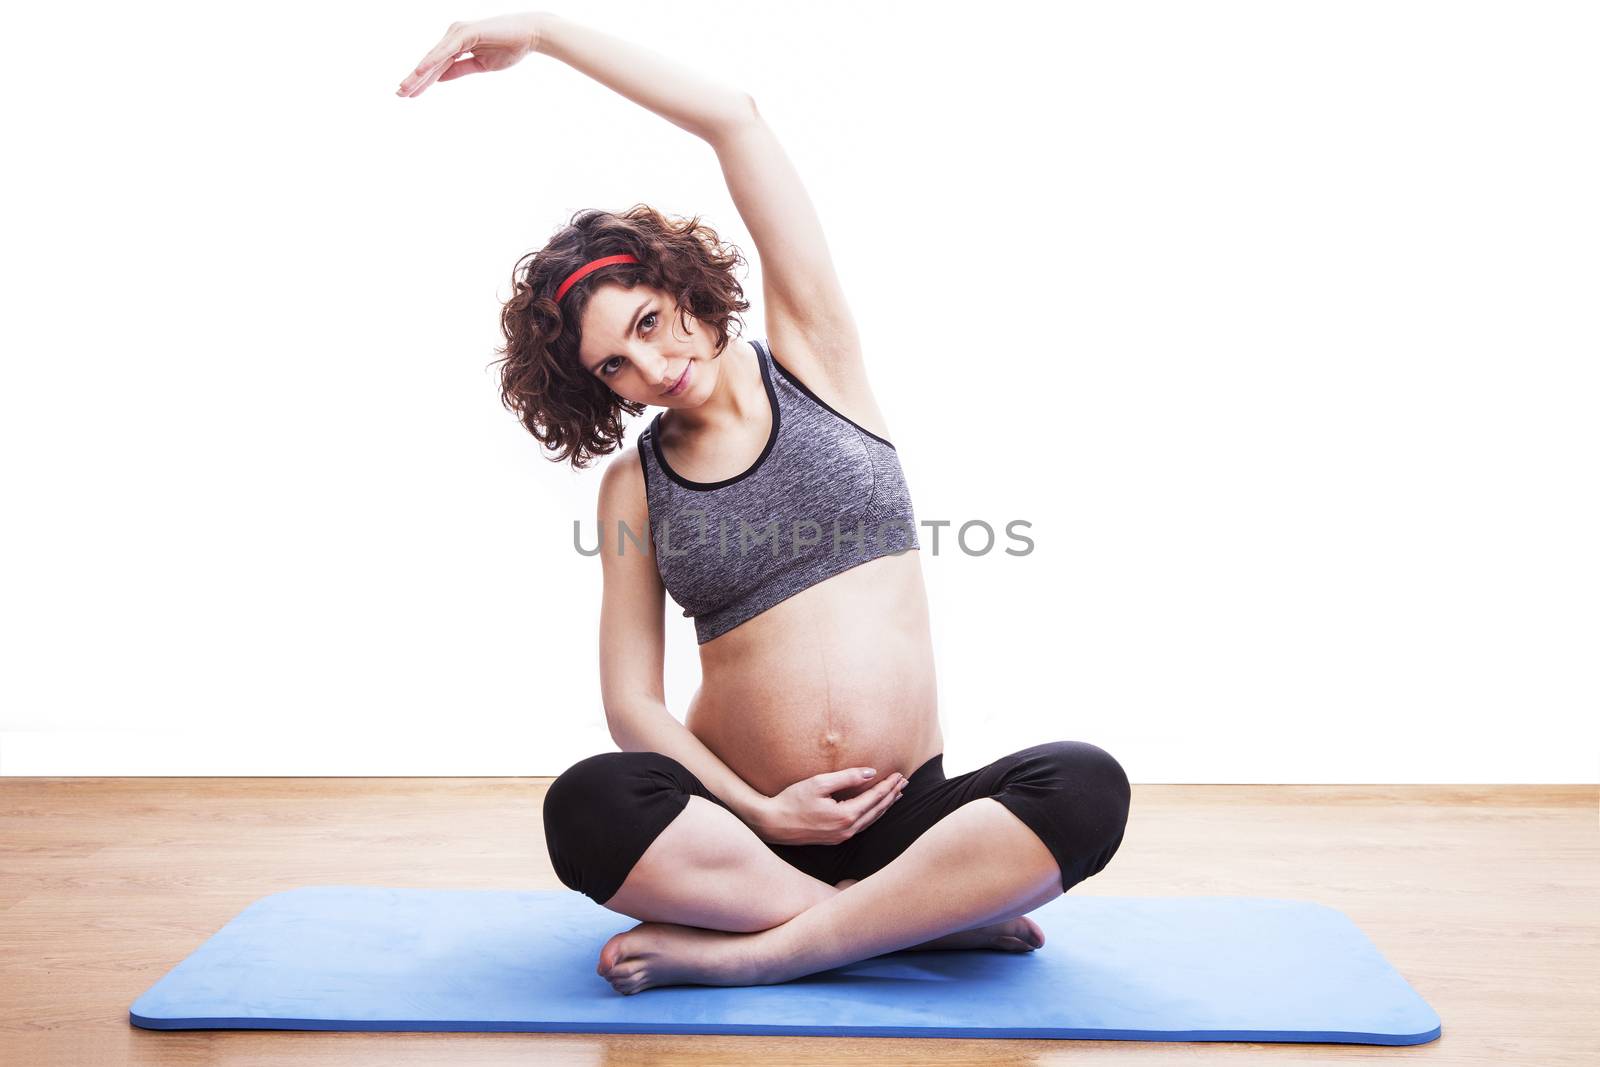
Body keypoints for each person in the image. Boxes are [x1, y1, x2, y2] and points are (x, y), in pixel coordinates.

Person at [398, 10, 1131, 996]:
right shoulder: (635, 485)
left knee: (1086, 785)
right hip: (745, 832)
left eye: (651, 323)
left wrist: (544, 32)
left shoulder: (816, 361)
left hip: (907, 814)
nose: (653, 366)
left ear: (682, 286)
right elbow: (633, 703)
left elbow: (735, 121)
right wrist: (764, 807)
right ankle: (921, 917)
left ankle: (776, 946)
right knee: (586, 805)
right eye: (615, 363)